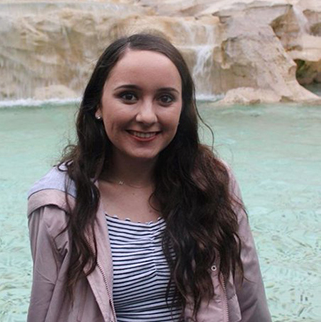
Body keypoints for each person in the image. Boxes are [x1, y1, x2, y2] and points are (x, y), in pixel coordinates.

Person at [27, 31, 272, 321]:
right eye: (128, 96)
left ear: (183, 108)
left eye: (165, 99)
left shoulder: (212, 181)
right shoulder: (58, 203)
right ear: (96, 105)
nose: (147, 115)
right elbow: (46, 307)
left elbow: (248, 291)